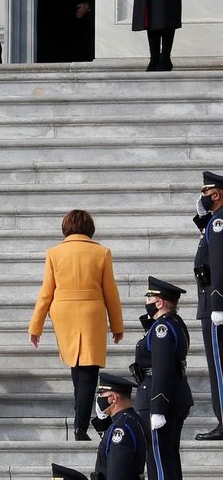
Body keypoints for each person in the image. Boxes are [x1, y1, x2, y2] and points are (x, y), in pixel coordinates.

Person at [28, 209, 124, 441]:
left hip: (64, 312)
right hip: (91, 311)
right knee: (89, 370)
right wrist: (117, 325)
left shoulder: (54, 253)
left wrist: (36, 326)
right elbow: (111, 292)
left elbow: (45, 293)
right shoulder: (101, 252)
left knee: (76, 365)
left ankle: (79, 418)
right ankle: (80, 426)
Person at [133, 277, 192, 480]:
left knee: (159, 458)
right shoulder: (174, 322)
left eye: (149, 299)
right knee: (168, 457)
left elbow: (162, 368)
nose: (146, 303)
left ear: (159, 303)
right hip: (174, 395)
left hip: (159, 399)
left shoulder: (162, 328)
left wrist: (157, 408)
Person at [195, 170, 223, 440]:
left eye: (205, 194)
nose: (201, 198)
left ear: (215, 194)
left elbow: (218, 265)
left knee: (219, 367)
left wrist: (217, 303)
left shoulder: (219, 223)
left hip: (216, 306)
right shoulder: (215, 222)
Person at [90, 372, 147, 480]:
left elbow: (117, 472)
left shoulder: (121, 429)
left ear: (114, 398)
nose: (99, 399)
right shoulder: (132, 420)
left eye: (102, 395)